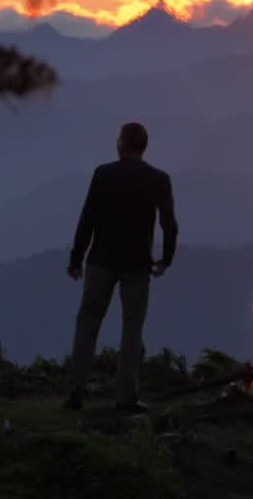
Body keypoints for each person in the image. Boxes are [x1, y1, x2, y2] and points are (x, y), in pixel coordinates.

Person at [64, 122, 178, 413]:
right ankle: (126, 398)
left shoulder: (103, 174)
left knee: (88, 324)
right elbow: (169, 224)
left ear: (121, 144)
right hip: (138, 264)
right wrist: (165, 259)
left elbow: (87, 218)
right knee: (132, 329)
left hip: (101, 260)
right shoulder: (158, 179)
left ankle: (76, 392)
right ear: (144, 145)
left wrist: (76, 258)